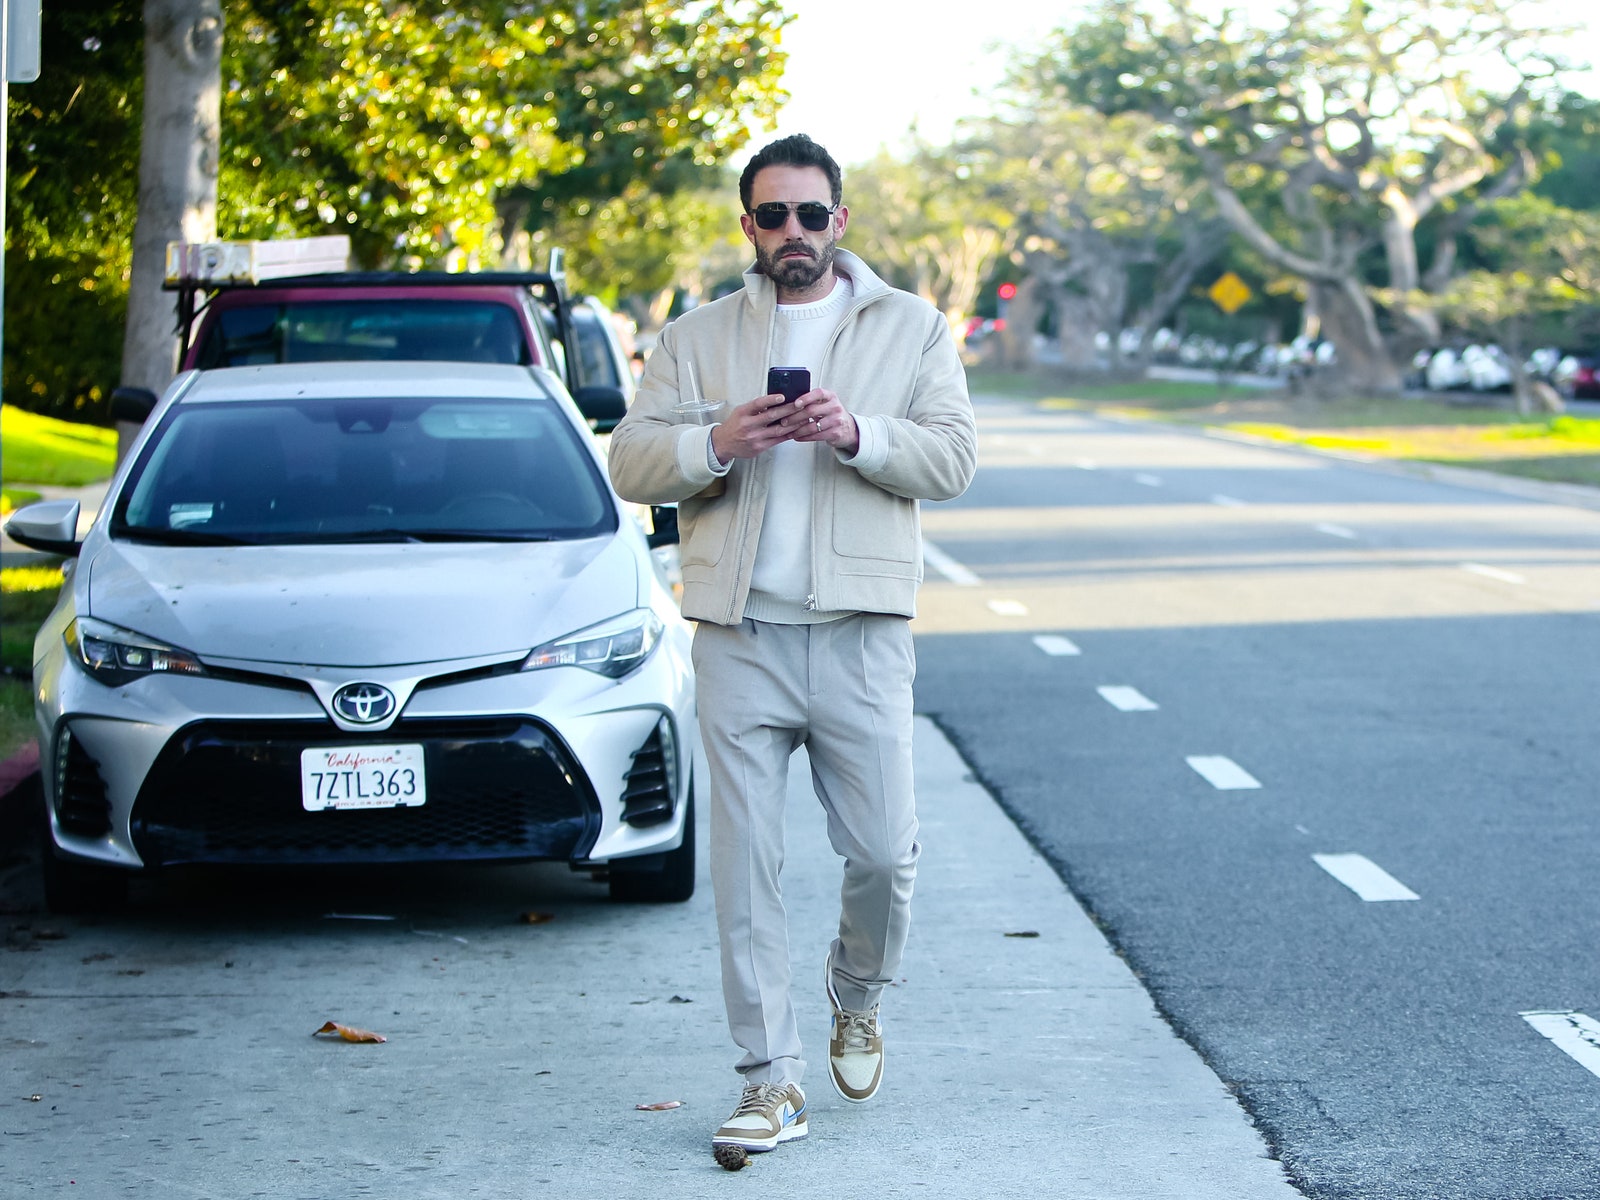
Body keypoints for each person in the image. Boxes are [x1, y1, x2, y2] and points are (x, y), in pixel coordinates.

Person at [606, 133, 977, 1156]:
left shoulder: (910, 328)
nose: (793, 234)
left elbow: (952, 460)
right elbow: (631, 462)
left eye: (811, 215)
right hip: (738, 638)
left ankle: (856, 992)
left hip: (858, 635)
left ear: (840, 221)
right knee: (746, 869)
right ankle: (769, 1081)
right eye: (772, 217)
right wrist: (714, 443)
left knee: (882, 853)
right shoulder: (694, 337)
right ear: (748, 228)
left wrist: (857, 433)